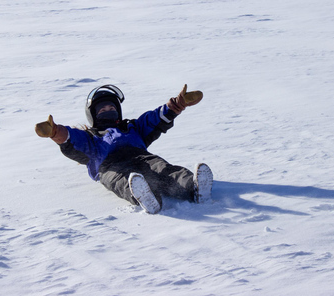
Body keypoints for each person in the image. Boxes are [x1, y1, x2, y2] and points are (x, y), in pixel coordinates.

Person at [35, 84, 213, 214]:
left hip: (142, 157)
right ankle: (147, 197)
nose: (108, 110)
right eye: (103, 108)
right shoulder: (91, 137)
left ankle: (193, 186)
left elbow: (153, 120)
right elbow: (72, 138)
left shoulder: (132, 127)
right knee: (122, 181)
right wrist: (55, 131)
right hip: (110, 166)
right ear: (93, 115)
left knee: (163, 169)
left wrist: (176, 104)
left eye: (112, 107)